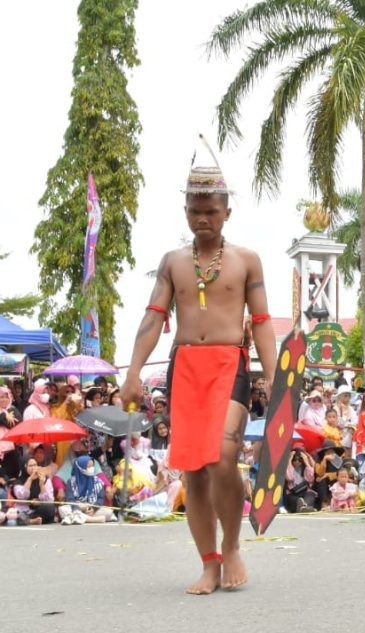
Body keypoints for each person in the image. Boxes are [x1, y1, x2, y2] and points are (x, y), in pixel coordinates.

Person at [120, 159, 278, 594]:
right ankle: (209, 564)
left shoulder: (247, 261)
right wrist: (133, 372)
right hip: (185, 367)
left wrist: (277, 375)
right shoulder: (172, 262)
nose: (202, 218)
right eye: (194, 210)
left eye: (210, 210)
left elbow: (262, 321)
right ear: (185, 212)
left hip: (231, 365)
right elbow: (154, 316)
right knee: (194, 470)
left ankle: (231, 546)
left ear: (228, 211)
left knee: (223, 456)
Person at [59, 456, 114, 525]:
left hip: (92, 507)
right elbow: (70, 499)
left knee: (108, 512)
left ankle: (77, 517)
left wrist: (94, 509)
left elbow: (100, 498)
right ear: (81, 467)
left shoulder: (97, 481)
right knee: (63, 509)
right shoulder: (71, 482)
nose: (91, 468)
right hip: (77, 507)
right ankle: (93, 519)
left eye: (92, 466)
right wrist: (77, 508)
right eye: (89, 466)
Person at [6, 457, 57, 525]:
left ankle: (29, 520)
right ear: (25, 467)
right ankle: (30, 520)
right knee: (14, 514)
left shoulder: (45, 479)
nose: (33, 468)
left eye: (35, 465)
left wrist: (42, 484)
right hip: (24, 511)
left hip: (39, 510)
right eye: (30, 466)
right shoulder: (18, 481)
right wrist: (30, 479)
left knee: (50, 507)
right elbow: (22, 496)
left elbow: (49, 500)